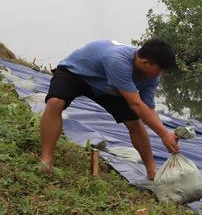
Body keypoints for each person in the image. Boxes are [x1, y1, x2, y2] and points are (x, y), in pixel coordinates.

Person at [40, 39, 179, 179]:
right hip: (76, 73)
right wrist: (163, 135)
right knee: (55, 102)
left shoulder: (151, 77)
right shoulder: (117, 60)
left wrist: (165, 132)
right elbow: (136, 104)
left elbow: (147, 108)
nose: (160, 74)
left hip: (109, 87)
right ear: (145, 62)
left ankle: (151, 171)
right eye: (159, 69)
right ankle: (46, 160)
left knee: (134, 122)